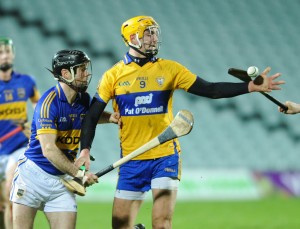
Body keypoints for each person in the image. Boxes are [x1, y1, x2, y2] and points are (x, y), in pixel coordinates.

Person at [79, 16, 285, 229]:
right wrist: (85, 150)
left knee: (162, 223)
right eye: (148, 33)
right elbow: (93, 116)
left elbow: (211, 90)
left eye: (155, 33)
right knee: (120, 225)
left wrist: (249, 87)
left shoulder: (170, 69)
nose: (154, 38)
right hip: (131, 160)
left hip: (165, 156)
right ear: (133, 38)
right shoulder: (113, 76)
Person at [10, 49, 120, 229]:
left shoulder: (83, 99)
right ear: (65, 73)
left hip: (62, 181)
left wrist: (110, 118)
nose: (87, 73)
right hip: (32, 177)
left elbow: (87, 116)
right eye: (82, 69)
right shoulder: (48, 104)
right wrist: (79, 174)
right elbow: (49, 150)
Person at [0, 37, 40, 229]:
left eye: (7, 51)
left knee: (11, 194)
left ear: (13, 54)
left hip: (18, 147)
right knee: (3, 204)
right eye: (0, 52)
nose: (4, 56)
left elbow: (40, 110)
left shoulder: (27, 82)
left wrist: (32, 127)